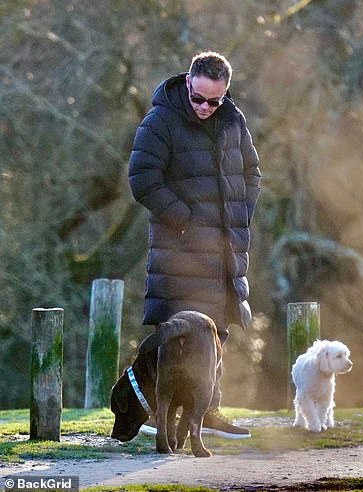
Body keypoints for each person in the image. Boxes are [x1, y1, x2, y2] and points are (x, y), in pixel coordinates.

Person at [128, 51, 261, 438]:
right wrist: (185, 221)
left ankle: (207, 413)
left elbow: (252, 174)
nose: (205, 107)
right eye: (198, 98)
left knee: (218, 332)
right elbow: (142, 179)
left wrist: (240, 212)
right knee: (179, 337)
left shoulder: (234, 120)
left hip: (225, 252)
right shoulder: (160, 122)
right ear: (188, 82)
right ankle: (159, 416)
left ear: (225, 93)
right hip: (179, 254)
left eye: (214, 100)